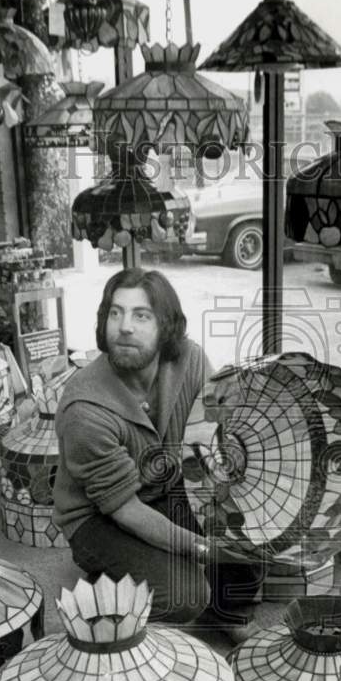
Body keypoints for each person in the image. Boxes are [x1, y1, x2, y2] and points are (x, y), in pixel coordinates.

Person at [52, 268, 264, 641]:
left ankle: (228, 611)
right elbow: (126, 511)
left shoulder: (191, 360)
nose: (125, 327)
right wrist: (201, 547)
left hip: (171, 489)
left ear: (165, 325)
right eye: (115, 313)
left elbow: (222, 430)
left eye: (141, 315)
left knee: (256, 520)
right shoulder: (84, 408)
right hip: (99, 518)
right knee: (185, 596)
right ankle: (105, 582)